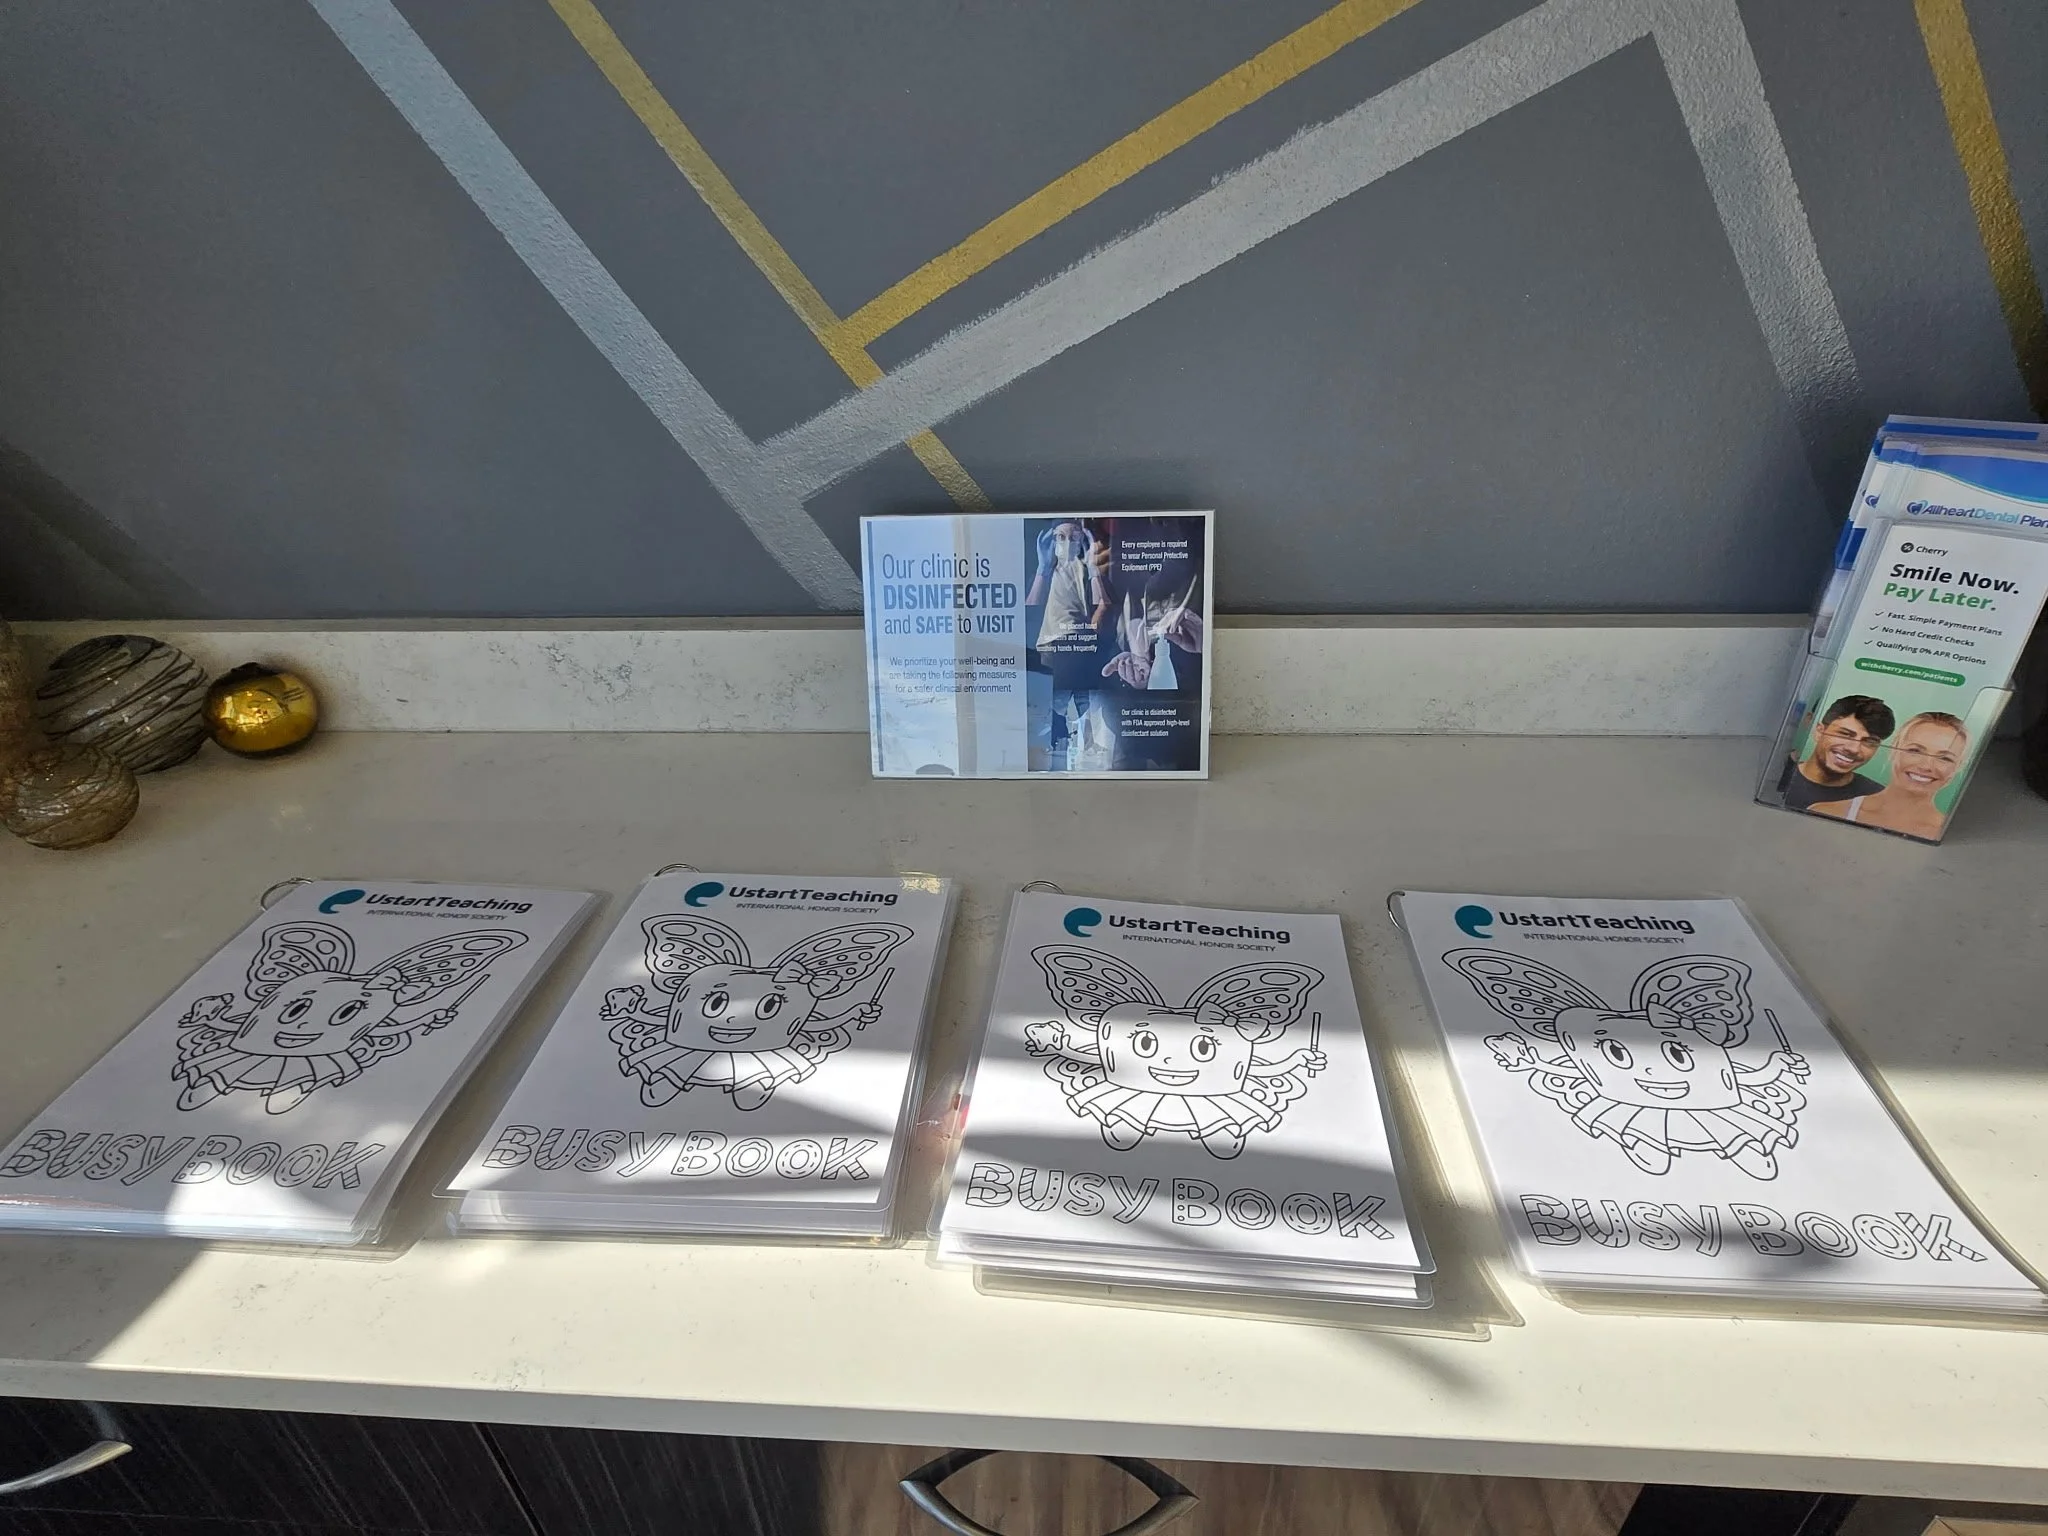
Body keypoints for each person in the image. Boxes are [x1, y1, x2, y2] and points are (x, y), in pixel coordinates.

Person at [1814, 711, 1968, 840]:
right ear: (1894, 750)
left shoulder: (1954, 839)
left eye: (1944, 758)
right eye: (1915, 751)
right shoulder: (1827, 813)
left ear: (1958, 768)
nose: (1926, 766)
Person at [1781, 695, 1893, 811]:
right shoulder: (1777, 776)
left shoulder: (1879, 800)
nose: (1854, 749)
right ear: (1819, 732)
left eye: (1869, 742)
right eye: (1845, 734)